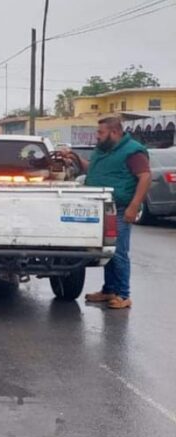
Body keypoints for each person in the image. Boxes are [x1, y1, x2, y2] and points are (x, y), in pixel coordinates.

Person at [60, 117, 151, 309]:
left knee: (118, 252)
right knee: (106, 251)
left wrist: (134, 206)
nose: (97, 136)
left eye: (100, 133)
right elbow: (91, 170)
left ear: (115, 132)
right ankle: (109, 290)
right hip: (97, 208)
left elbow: (145, 177)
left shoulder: (133, 151)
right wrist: (74, 158)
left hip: (118, 208)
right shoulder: (103, 150)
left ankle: (123, 294)